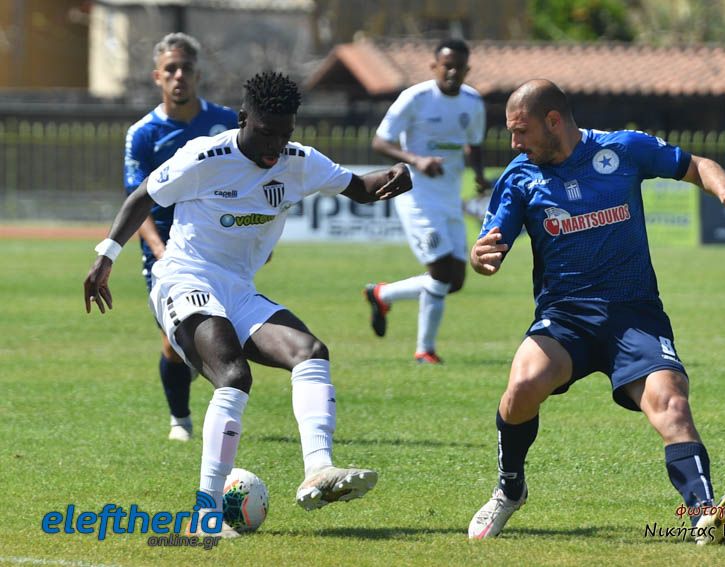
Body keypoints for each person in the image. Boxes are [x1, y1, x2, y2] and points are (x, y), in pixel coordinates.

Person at [84, 71, 412, 537]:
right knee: (234, 375)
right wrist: (106, 256)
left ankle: (319, 469)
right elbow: (143, 197)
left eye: (285, 134)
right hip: (184, 278)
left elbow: (359, 187)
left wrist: (395, 176)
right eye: (266, 133)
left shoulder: (299, 161)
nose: (275, 146)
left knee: (310, 352)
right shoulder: (203, 157)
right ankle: (206, 513)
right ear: (242, 119)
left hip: (238, 288)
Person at [466, 79, 725, 544]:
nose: (514, 143)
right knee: (522, 386)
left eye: (521, 131)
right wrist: (480, 256)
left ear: (553, 121)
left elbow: (696, 164)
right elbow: (492, 241)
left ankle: (704, 516)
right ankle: (510, 489)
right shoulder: (520, 177)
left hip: (635, 316)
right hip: (565, 318)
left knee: (671, 405)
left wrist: (723, 189)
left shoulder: (623, 149)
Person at [125, 33, 238, 442]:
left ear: (197, 74)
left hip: (219, 246)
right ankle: (181, 420)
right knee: (175, 341)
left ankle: (215, 407)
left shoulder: (226, 122)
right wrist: (160, 251)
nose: (178, 76)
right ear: (157, 76)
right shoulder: (144, 133)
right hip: (165, 249)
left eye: (185, 68)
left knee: (222, 332)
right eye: (170, 69)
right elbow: (135, 201)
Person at [364, 38, 489, 364]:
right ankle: (424, 351)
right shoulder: (415, 98)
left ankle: (382, 294)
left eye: (459, 67)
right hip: (416, 196)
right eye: (447, 66)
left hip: (449, 197)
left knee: (455, 281)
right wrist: (416, 160)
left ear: (467, 69)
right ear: (434, 67)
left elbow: (474, 144)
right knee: (441, 271)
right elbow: (380, 142)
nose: (452, 72)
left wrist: (479, 176)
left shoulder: (473, 101)